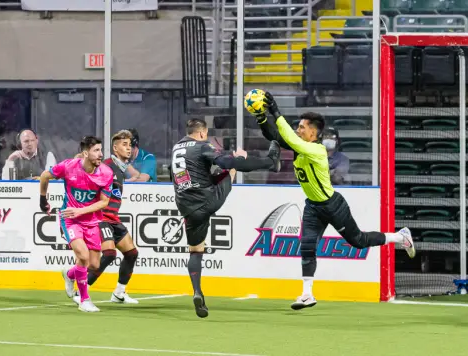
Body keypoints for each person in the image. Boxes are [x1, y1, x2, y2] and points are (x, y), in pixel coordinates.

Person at [254, 92, 415, 310]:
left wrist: (275, 109)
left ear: (314, 132)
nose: (298, 130)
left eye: (302, 127)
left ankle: (399, 237)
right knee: (307, 247)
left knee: (357, 241)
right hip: (313, 205)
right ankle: (307, 294)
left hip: (332, 205)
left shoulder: (316, 150)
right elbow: (275, 135)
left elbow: (288, 138)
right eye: (298, 127)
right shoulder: (300, 145)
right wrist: (262, 117)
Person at [171, 118, 281, 318]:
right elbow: (223, 162)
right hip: (206, 201)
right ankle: (271, 163)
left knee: (196, 250)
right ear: (203, 133)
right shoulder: (201, 145)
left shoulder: (176, 147)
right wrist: (237, 158)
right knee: (230, 168)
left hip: (186, 205)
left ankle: (198, 292)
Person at [39, 136, 114, 313]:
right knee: (83, 255)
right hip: (70, 219)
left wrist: (81, 211)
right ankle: (84, 300)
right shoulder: (68, 166)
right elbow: (44, 175)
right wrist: (43, 199)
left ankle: (69, 273)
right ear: (86, 153)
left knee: (94, 265)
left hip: (92, 220)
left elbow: (104, 202)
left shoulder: (106, 173)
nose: (101, 154)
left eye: (101, 150)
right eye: (96, 151)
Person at [72, 130, 140, 305]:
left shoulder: (121, 168)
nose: (128, 148)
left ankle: (119, 293)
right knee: (109, 254)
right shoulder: (106, 166)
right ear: (115, 148)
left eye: (130, 145)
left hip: (113, 218)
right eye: (124, 145)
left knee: (131, 253)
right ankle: (81, 291)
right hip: (101, 217)